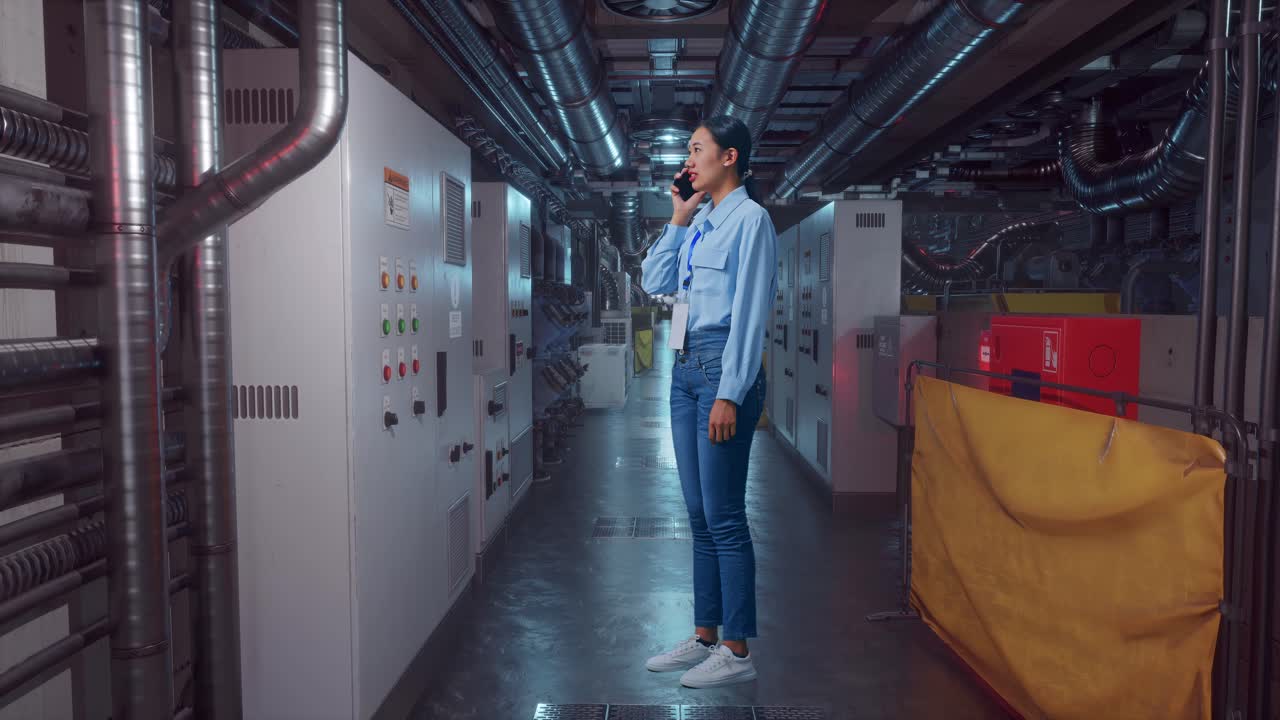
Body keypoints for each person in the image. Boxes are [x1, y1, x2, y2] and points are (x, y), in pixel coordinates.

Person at [639, 116, 778, 689]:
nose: (688, 160)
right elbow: (653, 282)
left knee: (724, 517)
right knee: (698, 518)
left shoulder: (752, 221)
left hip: (722, 370)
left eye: (697, 150)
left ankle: (738, 650)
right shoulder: (698, 224)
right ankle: (704, 638)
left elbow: (750, 315)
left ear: (730, 157)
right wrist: (677, 217)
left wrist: (731, 391)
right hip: (684, 369)